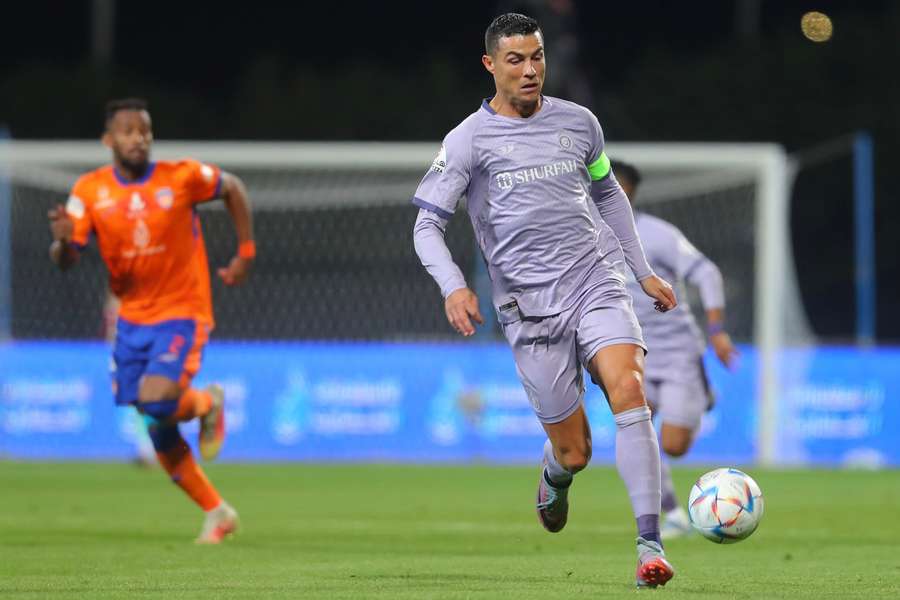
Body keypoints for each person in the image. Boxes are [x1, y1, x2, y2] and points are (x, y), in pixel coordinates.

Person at [412, 13, 677, 588]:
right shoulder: (467, 141)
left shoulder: (580, 124)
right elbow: (426, 224)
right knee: (576, 451)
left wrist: (642, 273)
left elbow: (607, 193)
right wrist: (453, 285)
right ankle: (555, 475)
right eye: (515, 60)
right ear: (490, 65)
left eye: (536, 58)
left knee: (629, 388)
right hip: (528, 309)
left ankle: (649, 547)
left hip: (594, 279)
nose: (530, 70)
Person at [48, 98, 255, 543]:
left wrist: (245, 251)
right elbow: (67, 258)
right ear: (108, 139)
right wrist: (63, 244)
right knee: (155, 420)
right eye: (126, 130)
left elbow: (232, 187)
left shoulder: (180, 177)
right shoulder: (88, 191)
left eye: (144, 130)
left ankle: (205, 403)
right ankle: (218, 512)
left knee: (158, 401)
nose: (137, 138)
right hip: (131, 319)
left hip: (182, 311)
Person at [611, 160, 738, 539]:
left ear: (630, 192)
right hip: (631, 352)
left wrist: (716, 331)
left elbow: (707, 273)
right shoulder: (584, 233)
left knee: (674, 445)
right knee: (637, 432)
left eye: (616, 185)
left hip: (679, 351)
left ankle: (699, 395)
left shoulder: (658, 234)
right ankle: (670, 513)